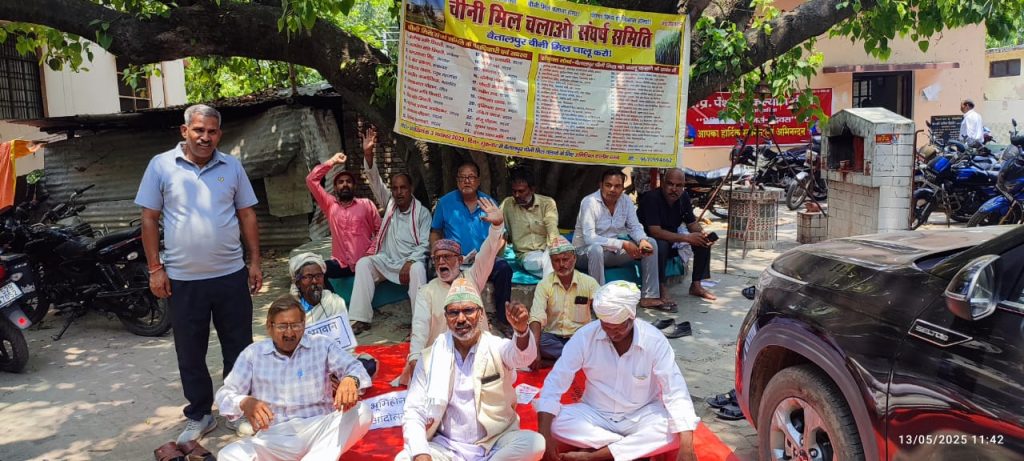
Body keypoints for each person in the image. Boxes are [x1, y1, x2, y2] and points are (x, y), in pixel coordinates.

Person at [135, 104, 263, 445]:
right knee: (190, 351)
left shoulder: (232, 166)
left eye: (211, 131)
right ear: (185, 131)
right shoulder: (161, 165)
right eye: (198, 130)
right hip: (183, 280)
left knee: (239, 347)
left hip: (230, 275)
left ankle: (237, 409)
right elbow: (149, 219)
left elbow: (247, 215)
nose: (205, 137)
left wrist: (254, 262)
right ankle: (200, 414)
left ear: (219, 134)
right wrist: (155, 269)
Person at [536, 281, 699, 461]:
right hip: (595, 413)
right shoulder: (585, 337)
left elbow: (675, 391)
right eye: (606, 327)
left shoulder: (654, 340)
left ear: (632, 317)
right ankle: (632, 449)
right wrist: (544, 436)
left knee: (675, 432)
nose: (613, 333)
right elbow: (555, 383)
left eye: (619, 327)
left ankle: (595, 455)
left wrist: (687, 446)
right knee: (553, 422)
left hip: (641, 414)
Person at [396, 278, 544, 461]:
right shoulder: (429, 358)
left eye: (468, 311)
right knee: (404, 458)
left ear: (480, 314)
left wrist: (521, 331)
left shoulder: (496, 347)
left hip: (494, 443)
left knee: (534, 444)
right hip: (447, 448)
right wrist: (421, 454)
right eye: (453, 312)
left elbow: (523, 357)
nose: (461, 319)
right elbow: (413, 410)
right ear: (446, 317)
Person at [214, 295, 372, 461]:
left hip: (319, 428)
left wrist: (351, 380)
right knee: (228, 455)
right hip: (274, 437)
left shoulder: (322, 344)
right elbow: (224, 394)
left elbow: (355, 367)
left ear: (304, 324)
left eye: (296, 325)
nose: (289, 333)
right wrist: (244, 401)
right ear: (269, 326)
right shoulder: (253, 354)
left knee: (362, 411)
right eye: (282, 326)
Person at [398, 197, 504, 385]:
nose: (441, 262)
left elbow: (488, 252)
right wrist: (414, 358)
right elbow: (420, 328)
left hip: (476, 355)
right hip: (441, 360)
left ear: (460, 260)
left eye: (447, 257)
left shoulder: (473, 277)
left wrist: (497, 226)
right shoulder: (426, 292)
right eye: (437, 258)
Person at [348, 126, 432, 334]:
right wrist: (368, 154)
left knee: (419, 269)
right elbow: (374, 180)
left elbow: (425, 244)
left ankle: (419, 324)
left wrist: (410, 262)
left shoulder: (422, 213)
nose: (399, 192)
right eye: (395, 188)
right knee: (364, 264)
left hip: (408, 264)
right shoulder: (390, 204)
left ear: (411, 189)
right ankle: (360, 319)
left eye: (403, 188)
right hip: (387, 261)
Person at [431, 161, 514, 333]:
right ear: (457, 181)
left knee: (504, 268)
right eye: (462, 177)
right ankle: (436, 321)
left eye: (470, 177)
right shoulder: (445, 203)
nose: (466, 181)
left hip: (482, 260)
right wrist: (436, 252)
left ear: (478, 180)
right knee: (434, 269)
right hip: (455, 260)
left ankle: (503, 320)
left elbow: (502, 236)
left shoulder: (488, 203)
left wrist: (491, 255)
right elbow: (435, 231)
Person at [572, 168, 666, 311]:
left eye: (617, 186)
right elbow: (590, 238)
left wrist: (642, 240)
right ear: (601, 185)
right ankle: (599, 299)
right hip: (584, 254)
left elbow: (634, 226)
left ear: (623, 188)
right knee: (596, 249)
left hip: (612, 253)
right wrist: (623, 244)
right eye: (608, 185)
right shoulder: (589, 202)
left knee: (650, 243)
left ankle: (649, 296)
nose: (612, 190)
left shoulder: (625, 201)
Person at [305, 143, 381, 290]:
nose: (345, 184)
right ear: (335, 188)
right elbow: (311, 180)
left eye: (348, 182)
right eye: (340, 182)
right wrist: (332, 161)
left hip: (365, 262)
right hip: (341, 264)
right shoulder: (330, 205)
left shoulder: (366, 204)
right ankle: (332, 301)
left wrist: (370, 254)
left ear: (354, 186)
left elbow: (380, 232)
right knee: (313, 270)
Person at [289, 252, 378, 377]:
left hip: (334, 361)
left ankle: (332, 381)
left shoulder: (334, 302)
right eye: (308, 277)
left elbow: (345, 346)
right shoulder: (289, 309)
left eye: (319, 276)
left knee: (368, 364)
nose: (315, 281)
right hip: (304, 365)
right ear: (298, 282)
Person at [638, 168, 717, 301]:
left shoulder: (683, 197)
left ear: (683, 186)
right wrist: (687, 238)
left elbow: (691, 223)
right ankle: (661, 287)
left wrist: (702, 234)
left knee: (703, 242)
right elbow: (655, 231)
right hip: (649, 240)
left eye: (678, 185)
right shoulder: (651, 198)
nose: (674, 189)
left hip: (673, 237)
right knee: (661, 245)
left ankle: (696, 285)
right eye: (670, 184)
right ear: (663, 183)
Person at [527, 236, 599, 369]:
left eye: (565, 259)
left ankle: (553, 363)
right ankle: (577, 361)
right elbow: (536, 317)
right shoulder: (544, 284)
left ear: (574, 258)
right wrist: (535, 350)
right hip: (552, 339)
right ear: (551, 262)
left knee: (597, 343)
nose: (561, 264)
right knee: (531, 342)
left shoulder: (589, 283)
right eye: (556, 260)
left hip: (579, 338)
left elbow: (602, 310)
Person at [500, 167, 559, 278]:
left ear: (532, 190)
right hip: (527, 255)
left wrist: (555, 251)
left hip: (549, 249)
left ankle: (551, 285)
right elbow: (498, 230)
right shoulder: (507, 205)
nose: (516, 195)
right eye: (514, 191)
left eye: (521, 191)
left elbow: (552, 228)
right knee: (552, 265)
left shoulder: (547, 203)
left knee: (558, 259)